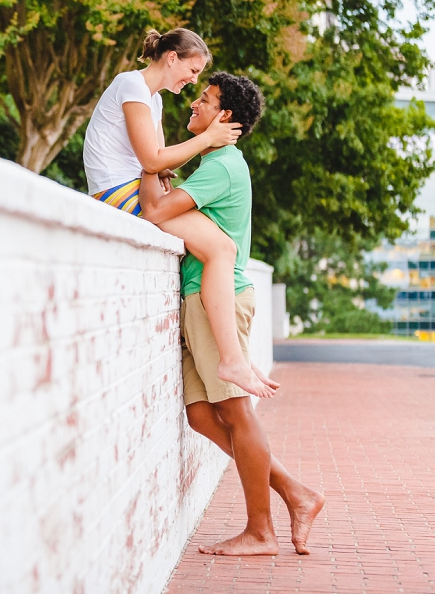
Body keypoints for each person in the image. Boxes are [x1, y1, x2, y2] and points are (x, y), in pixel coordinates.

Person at [139, 72, 324, 555]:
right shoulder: (213, 162)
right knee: (202, 416)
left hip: (216, 299)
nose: (194, 102)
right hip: (202, 297)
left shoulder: (221, 164)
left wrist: (152, 161)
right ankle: (295, 493)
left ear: (224, 116)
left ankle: (261, 531)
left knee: (237, 413)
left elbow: (157, 212)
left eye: (204, 98)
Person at [83, 29, 275, 399]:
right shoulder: (132, 86)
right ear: (172, 58)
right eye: (193, 69)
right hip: (116, 192)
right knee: (221, 250)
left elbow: (155, 160)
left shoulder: (150, 100)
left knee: (221, 249)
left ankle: (234, 356)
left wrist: (163, 166)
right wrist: (206, 139)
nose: (193, 80)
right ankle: (232, 358)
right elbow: (152, 158)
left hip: (132, 186)